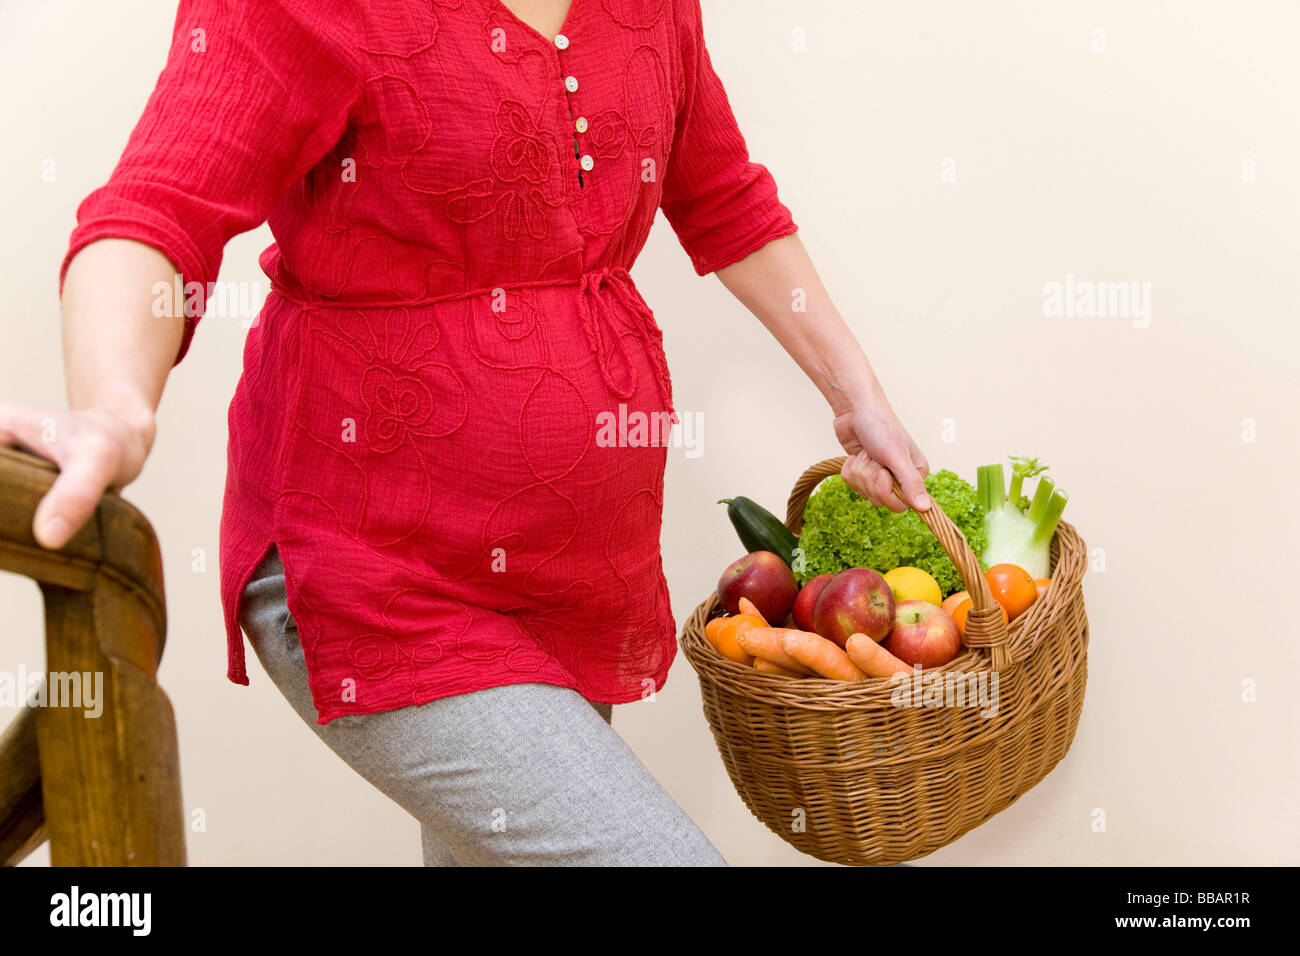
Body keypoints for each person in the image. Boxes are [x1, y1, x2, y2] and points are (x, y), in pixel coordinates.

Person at [1, 0, 930, 865]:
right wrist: (117, 406)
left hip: (572, 574)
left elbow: (725, 195)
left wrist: (860, 400)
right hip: (370, 569)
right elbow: (160, 207)